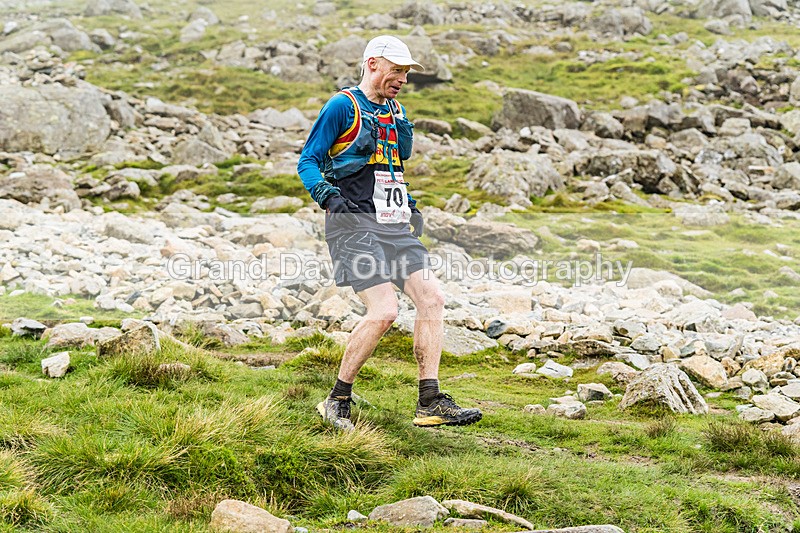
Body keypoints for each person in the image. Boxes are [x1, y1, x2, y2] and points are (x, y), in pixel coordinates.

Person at [296, 35, 482, 431]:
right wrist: (327, 196)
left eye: (406, 72)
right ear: (372, 64)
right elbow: (308, 161)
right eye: (396, 70)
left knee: (432, 299)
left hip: (395, 225)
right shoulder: (342, 106)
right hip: (353, 225)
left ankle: (429, 401)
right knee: (384, 312)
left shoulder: (395, 110)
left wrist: (409, 205)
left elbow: (390, 167)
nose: (402, 79)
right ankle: (336, 400)